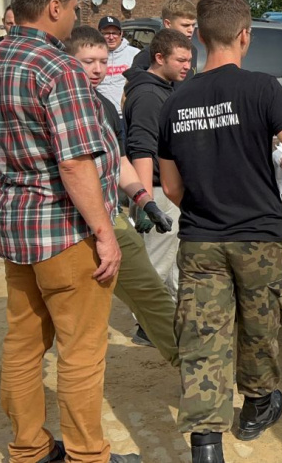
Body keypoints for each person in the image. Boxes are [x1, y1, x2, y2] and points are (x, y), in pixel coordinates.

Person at [0, 0, 139, 463]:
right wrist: (105, 233)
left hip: (20, 230)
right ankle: (88, 456)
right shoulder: (57, 68)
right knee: (81, 354)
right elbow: (74, 163)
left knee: (23, 345)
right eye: (71, 9)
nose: (73, 18)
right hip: (67, 234)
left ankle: (28, 449)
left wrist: (9, 203)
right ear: (53, 7)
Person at [157, 0, 282, 463]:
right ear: (244, 36)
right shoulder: (263, 88)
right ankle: (257, 407)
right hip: (259, 236)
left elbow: (172, 187)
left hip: (202, 239)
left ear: (200, 36)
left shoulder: (175, 100)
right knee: (259, 328)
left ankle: (206, 444)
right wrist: (277, 170)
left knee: (204, 339)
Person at [65, 26, 180, 364]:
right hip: (71, 224)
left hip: (112, 215)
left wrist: (144, 200)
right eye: (88, 61)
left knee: (152, 293)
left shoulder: (103, 104)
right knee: (77, 319)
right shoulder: (60, 103)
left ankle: (192, 366)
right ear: (69, 61)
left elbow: (120, 159)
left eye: (103, 60)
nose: (98, 69)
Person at [125, 29, 194, 301]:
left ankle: (168, 321)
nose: (187, 66)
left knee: (173, 266)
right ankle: (146, 325)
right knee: (155, 266)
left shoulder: (162, 89)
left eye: (189, 60)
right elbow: (141, 148)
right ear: (159, 57)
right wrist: (146, 203)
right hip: (156, 191)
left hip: (164, 190)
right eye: (180, 60)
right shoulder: (148, 95)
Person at [131, 0, 198, 80]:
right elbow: (131, 89)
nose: (191, 30)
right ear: (168, 24)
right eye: (185, 25)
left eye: (193, 25)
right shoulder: (147, 55)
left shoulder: (192, 50)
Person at [97, 15, 140, 116]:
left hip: (125, 113)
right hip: (101, 114)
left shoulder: (134, 54)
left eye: (115, 33)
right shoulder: (94, 55)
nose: (111, 37)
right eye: (106, 33)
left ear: (121, 34)